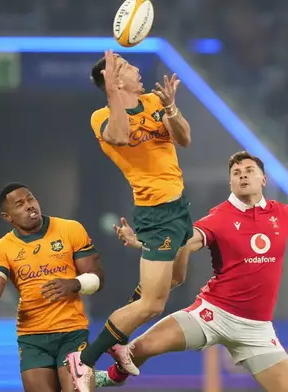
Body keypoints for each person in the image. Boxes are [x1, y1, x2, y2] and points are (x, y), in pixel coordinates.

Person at [98, 151, 288, 392]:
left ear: (263, 179)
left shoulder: (282, 213)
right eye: (236, 172)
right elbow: (188, 240)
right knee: (140, 349)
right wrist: (149, 242)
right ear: (230, 182)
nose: (243, 175)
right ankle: (108, 379)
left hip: (257, 329)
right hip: (212, 313)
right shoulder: (219, 216)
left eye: (249, 170)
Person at [66, 49, 194, 391]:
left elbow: (184, 138)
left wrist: (171, 108)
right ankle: (85, 360)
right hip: (156, 212)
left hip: (179, 204)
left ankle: (116, 338)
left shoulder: (154, 101)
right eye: (125, 66)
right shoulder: (101, 118)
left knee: (177, 277)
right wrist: (111, 90)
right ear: (114, 81)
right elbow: (120, 136)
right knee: (154, 303)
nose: (137, 68)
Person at [0, 183, 105, 392]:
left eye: (30, 199)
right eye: (20, 204)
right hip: (32, 338)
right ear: (7, 217)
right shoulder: (2, 248)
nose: (29, 205)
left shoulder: (71, 229)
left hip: (72, 332)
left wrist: (74, 283)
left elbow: (98, 278)